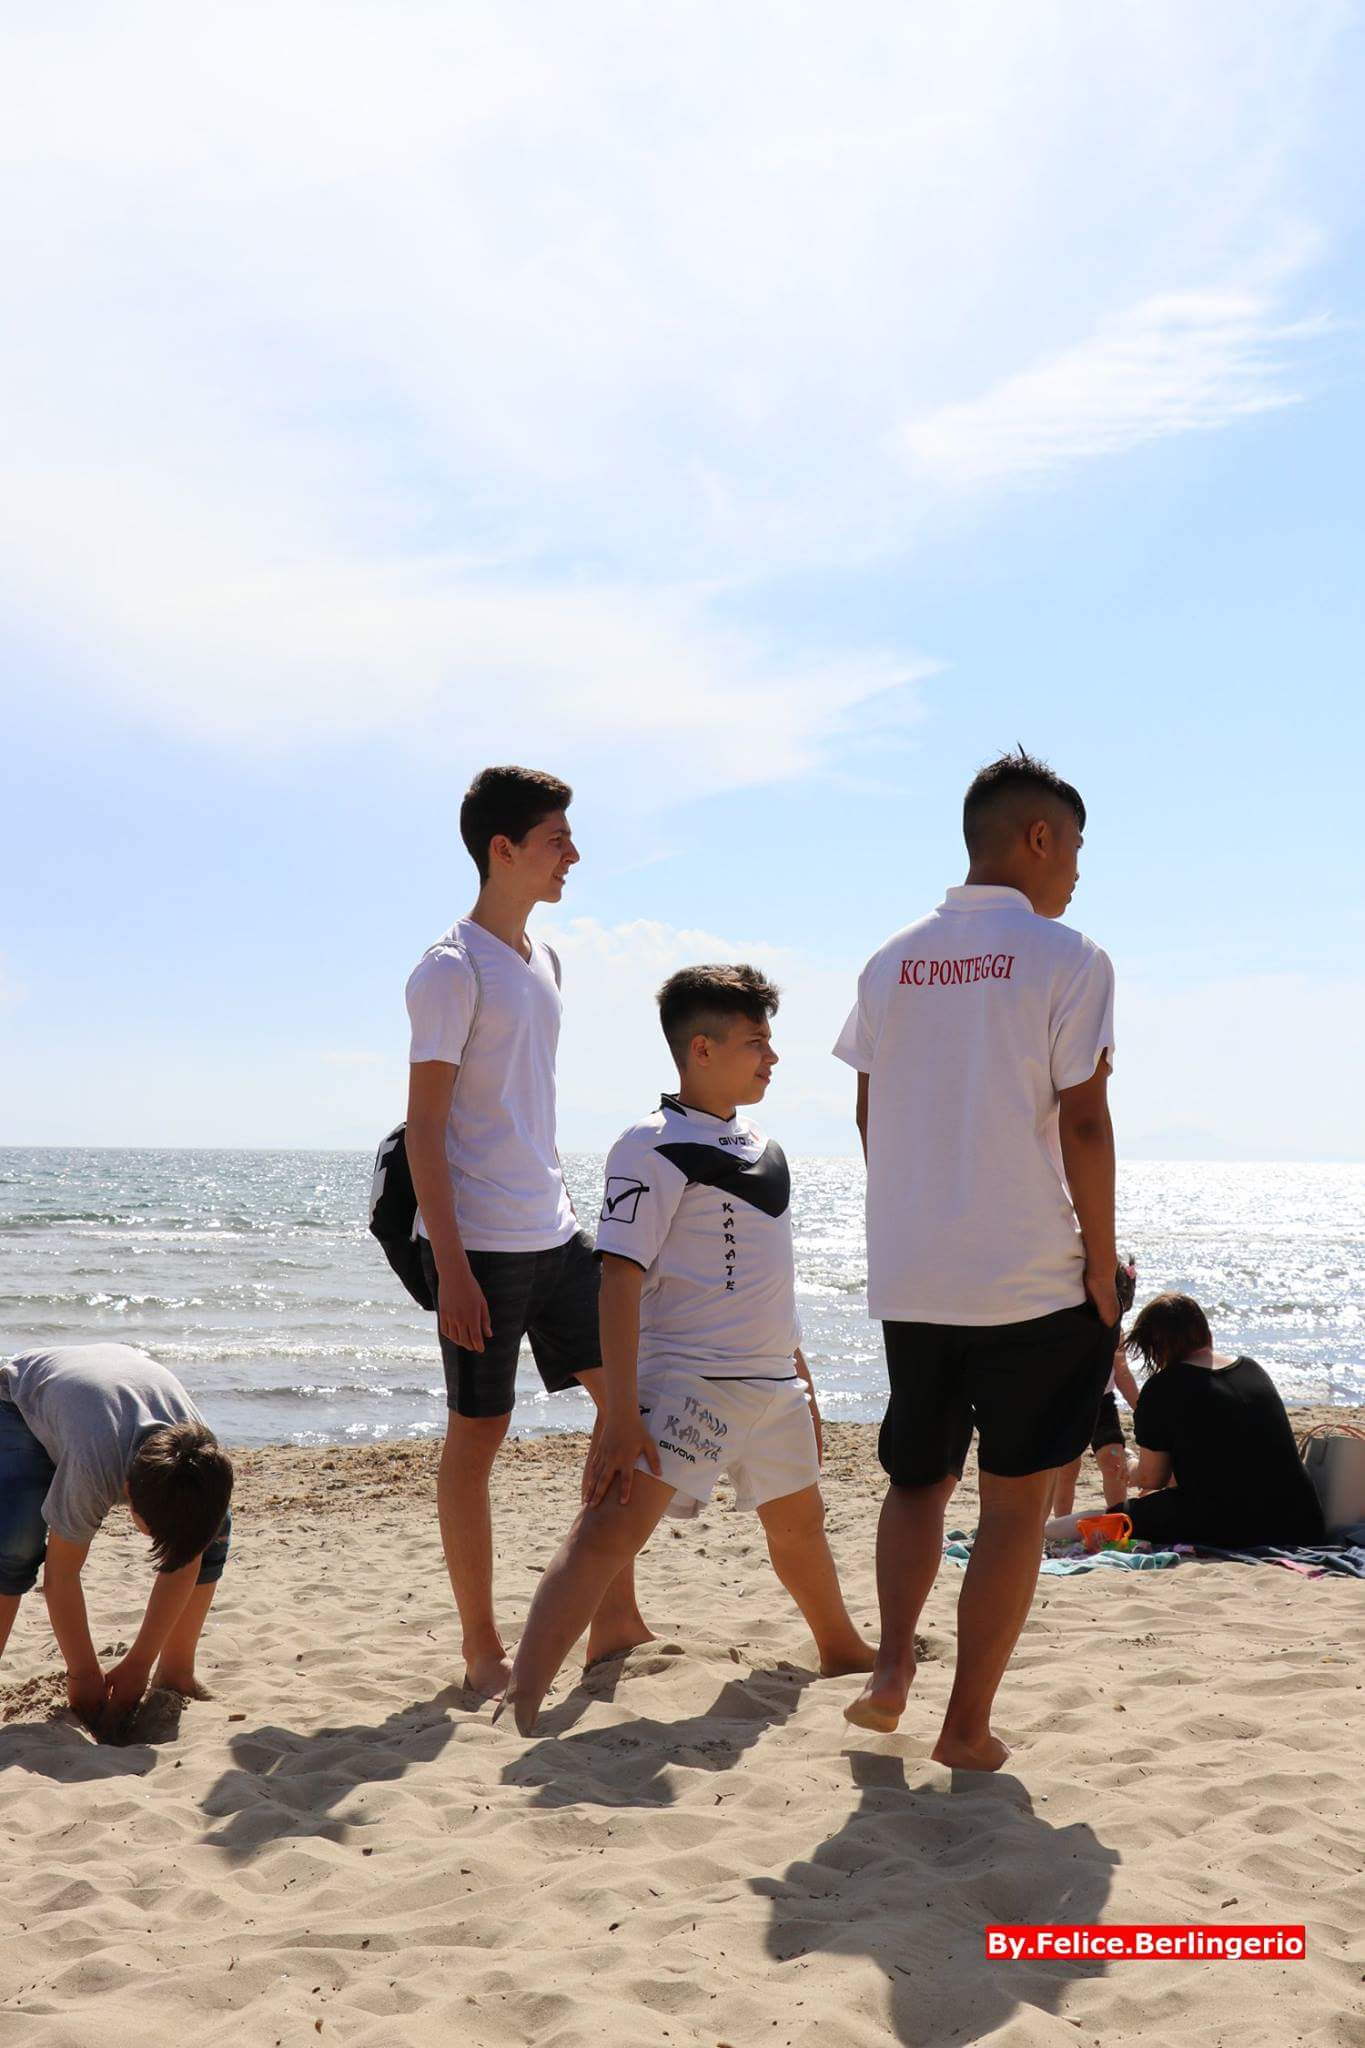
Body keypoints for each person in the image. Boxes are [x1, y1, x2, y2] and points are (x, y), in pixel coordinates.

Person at [835, 748, 1119, 1771]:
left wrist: (922, 1215)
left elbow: (869, 1113)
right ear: (1038, 836)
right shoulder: (1069, 956)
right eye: (1074, 844)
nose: (1077, 868)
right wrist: (1101, 1260)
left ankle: (889, 1672)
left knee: (917, 1481)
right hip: (1027, 1273)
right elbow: (1083, 1122)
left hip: (915, 1271)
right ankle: (964, 1726)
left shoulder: (890, 959)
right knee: (1010, 1503)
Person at [501, 964, 873, 1734]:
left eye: (769, 1041)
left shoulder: (764, 1145)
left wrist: (802, 1381)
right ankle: (520, 1701)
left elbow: (772, 1284)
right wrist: (618, 1414)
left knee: (800, 1527)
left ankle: (840, 1649)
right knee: (606, 1534)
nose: (771, 1057)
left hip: (773, 1383)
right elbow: (617, 1280)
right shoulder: (650, 1146)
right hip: (687, 1384)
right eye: (754, 1042)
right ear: (700, 1049)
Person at [404, 764, 648, 1697]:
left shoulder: (544, 961)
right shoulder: (449, 968)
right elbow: (425, 1129)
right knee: (478, 1438)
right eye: (556, 839)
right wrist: (453, 1271)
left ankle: (614, 1616)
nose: (572, 855)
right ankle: (481, 1647)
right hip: (481, 1246)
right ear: (503, 850)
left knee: (626, 1412)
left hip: (557, 1231)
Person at [0, 1342, 233, 1735]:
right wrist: (83, 1672)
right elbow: (61, 1577)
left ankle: (176, 1672)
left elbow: (187, 1554)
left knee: (214, 1533)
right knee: (15, 1543)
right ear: (125, 1492)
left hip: (112, 1385)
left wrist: (139, 1664)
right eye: (155, 1533)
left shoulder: (203, 1461)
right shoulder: (94, 1469)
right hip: (21, 1398)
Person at [1046, 1294, 1325, 1550]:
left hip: (1229, 1523)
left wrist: (1129, 1466)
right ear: (1206, 1332)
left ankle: (1041, 1531)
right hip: (1300, 1520)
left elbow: (1151, 1478)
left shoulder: (1163, 1388)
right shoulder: (1252, 1369)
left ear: (1156, 1348)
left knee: (1106, 1518)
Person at [1050, 1258, 1141, 1516]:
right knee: (1067, 1469)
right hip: (1069, 1402)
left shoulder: (1116, 1331)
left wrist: (1141, 1408)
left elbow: (1122, 1373)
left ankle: (1117, 1518)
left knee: (1113, 1462)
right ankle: (1062, 1522)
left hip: (1103, 1402)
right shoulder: (1071, 1326)